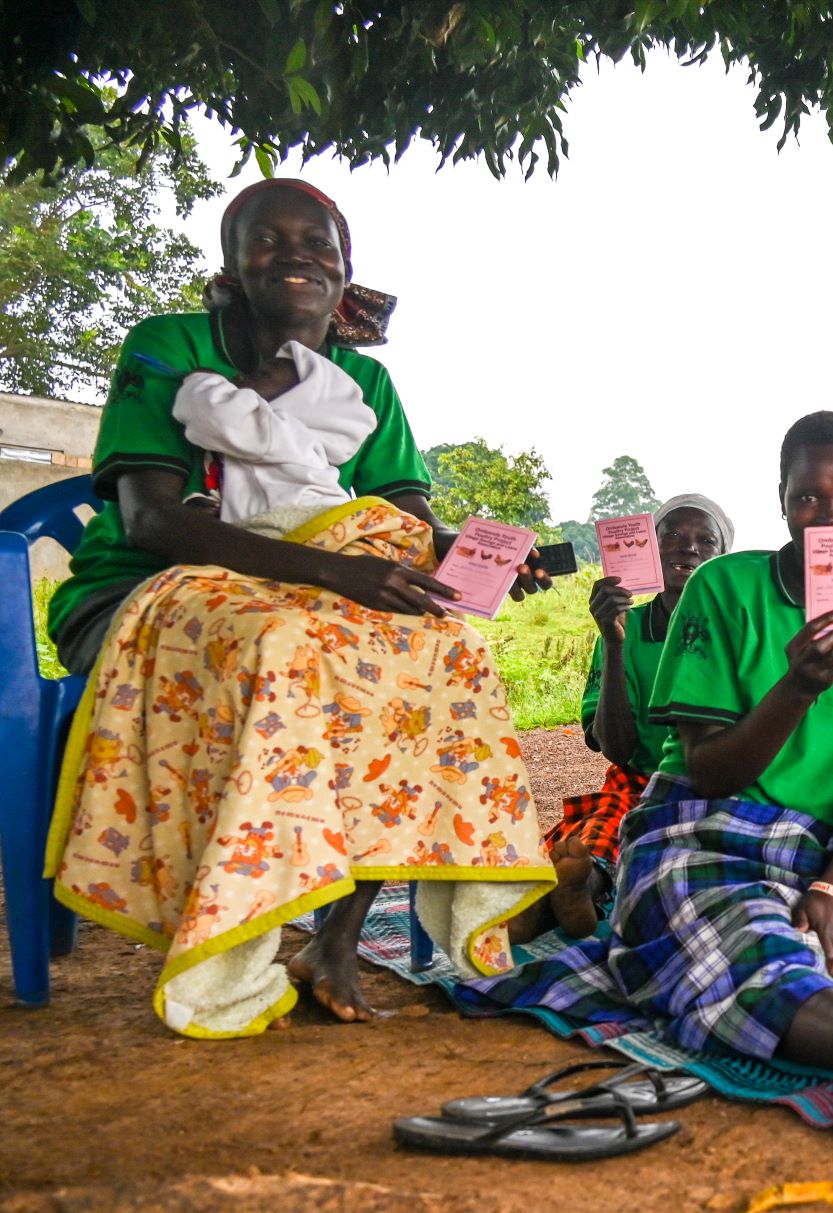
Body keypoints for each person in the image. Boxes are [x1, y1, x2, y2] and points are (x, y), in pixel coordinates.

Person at [44, 178, 552, 1038]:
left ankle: (335, 938)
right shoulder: (173, 348)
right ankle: (232, 943)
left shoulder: (364, 380)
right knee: (288, 650)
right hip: (144, 591)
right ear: (233, 265)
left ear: (345, 269)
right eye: (269, 241)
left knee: (444, 657)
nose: (296, 258)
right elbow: (152, 518)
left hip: (305, 601)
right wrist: (331, 576)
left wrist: (480, 558)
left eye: (318, 244)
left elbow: (404, 518)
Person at [458, 412, 833, 1133]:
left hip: (823, 840)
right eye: (808, 499)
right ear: (780, 502)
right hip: (701, 829)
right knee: (749, 939)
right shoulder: (724, 588)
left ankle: (801, 981)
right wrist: (799, 687)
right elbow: (711, 770)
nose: (830, 516)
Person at [513, 495, 730, 942]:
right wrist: (613, 642)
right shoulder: (628, 627)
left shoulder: (737, 626)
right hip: (641, 781)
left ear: (722, 559)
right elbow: (617, 750)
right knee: (606, 827)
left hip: (720, 782)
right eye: (671, 536)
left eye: (705, 541)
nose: (687, 549)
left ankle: (565, 899)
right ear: (650, 550)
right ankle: (578, 889)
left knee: (669, 848)